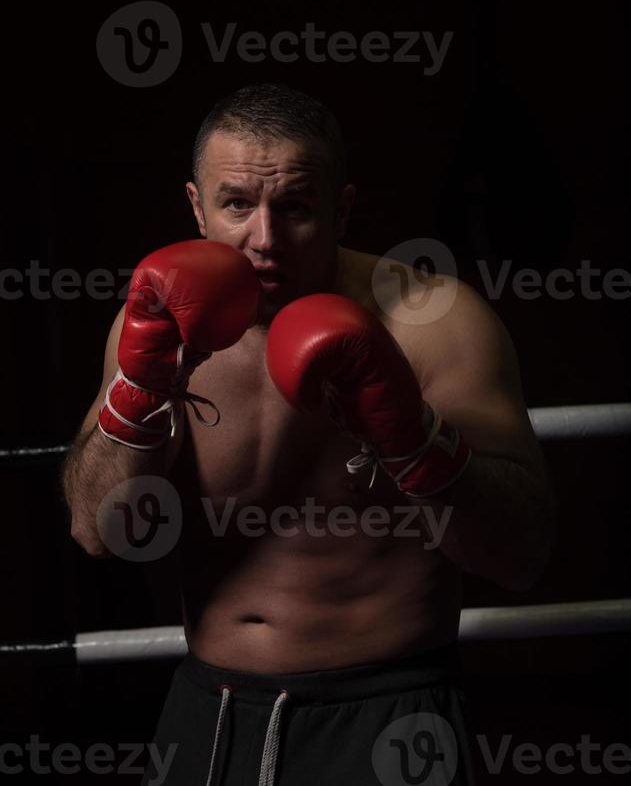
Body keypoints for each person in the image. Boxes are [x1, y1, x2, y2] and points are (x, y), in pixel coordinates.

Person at [61, 83, 556, 786]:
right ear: (196, 208)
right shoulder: (154, 323)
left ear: (341, 210)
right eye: (236, 203)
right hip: (213, 711)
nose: (264, 238)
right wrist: (139, 396)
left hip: (389, 715)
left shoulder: (434, 323)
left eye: (293, 206)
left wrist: (414, 440)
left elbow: (520, 555)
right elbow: (95, 529)